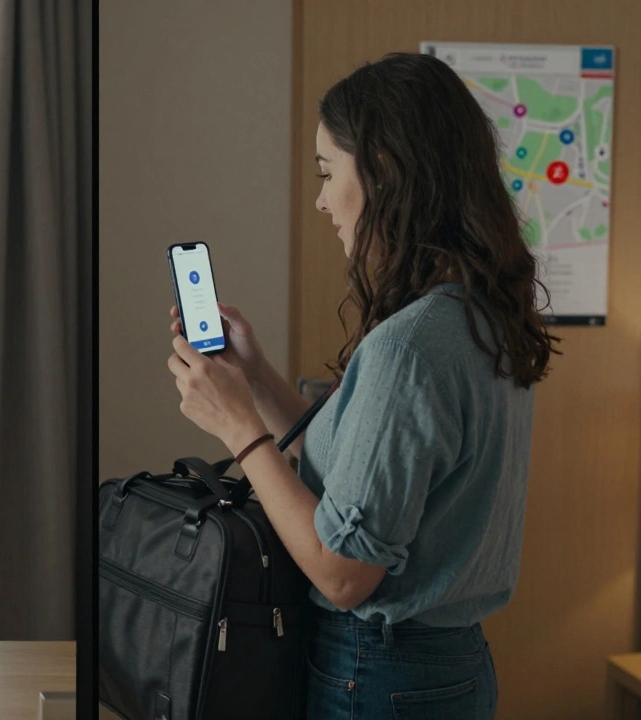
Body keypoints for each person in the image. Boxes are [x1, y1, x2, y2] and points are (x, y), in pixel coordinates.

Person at [167, 53, 560, 718]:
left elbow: (344, 573)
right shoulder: (480, 315)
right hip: (451, 666)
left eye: (328, 172)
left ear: (382, 170)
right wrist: (254, 376)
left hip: (381, 675)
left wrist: (239, 429)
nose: (321, 199)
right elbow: (360, 480)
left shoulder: (408, 347)